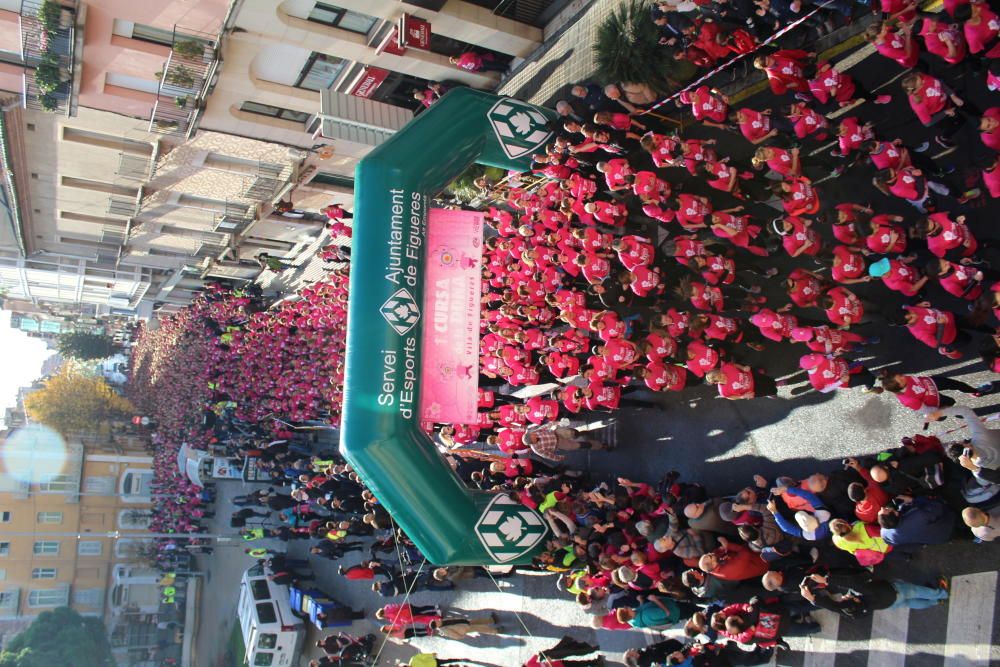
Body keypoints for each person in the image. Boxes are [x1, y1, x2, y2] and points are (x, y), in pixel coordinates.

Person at [878, 495, 956, 547]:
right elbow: (938, 507)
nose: (882, 508)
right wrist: (913, 500)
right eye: (886, 509)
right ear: (895, 513)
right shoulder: (918, 515)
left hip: (937, 540)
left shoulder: (885, 535)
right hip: (948, 528)